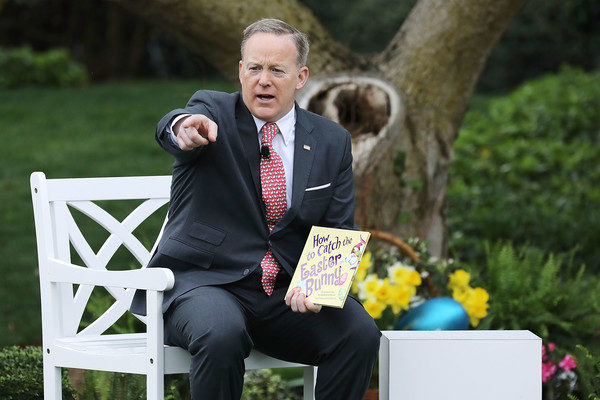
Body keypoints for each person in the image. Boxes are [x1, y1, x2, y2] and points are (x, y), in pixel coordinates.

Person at [131, 18, 381, 400]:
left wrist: (318, 284)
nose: (263, 80)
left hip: (282, 295)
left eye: (276, 70)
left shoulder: (331, 141)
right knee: (222, 332)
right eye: (254, 68)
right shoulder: (211, 111)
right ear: (241, 71)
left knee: (358, 333)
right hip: (205, 284)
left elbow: (338, 227)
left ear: (300, 77)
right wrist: (183, 127)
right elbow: (175, 126)